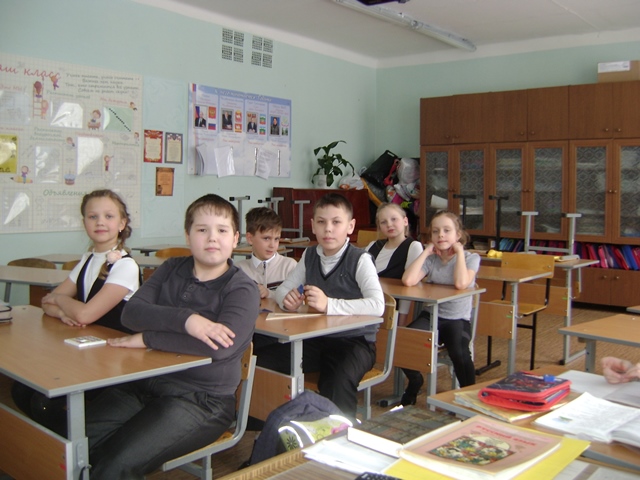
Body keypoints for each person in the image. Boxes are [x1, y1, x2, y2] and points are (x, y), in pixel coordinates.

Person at [84, 194, 260, 479]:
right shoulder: (170, 269)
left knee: (113, 464)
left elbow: (219, 347)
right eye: (202, 229)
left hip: (201, 400)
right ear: (188, 236)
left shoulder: (242, 289)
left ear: (235, 239)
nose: (212, 238)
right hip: (145, 382)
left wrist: (148, 339)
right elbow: (132, 314)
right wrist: (188, 321)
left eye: (222, 230)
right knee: (75, 445)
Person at [12, 189, 140, 434]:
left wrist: (61, 300)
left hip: (115, 363)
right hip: (87, 352)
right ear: (84, 223)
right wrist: (62, 313)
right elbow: (46, 303)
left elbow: (84, 315)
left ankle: (78, 447)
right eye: (93, 217)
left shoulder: (125, 266)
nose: (100, 222)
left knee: (42, 404)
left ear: (122, 223)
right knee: (21, 390)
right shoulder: (88, 259)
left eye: (109, 216)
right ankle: (55, 444)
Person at [257, 193, 385, 418]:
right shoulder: (310, 255)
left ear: (350, 226)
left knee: (336, 380)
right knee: (262, 360)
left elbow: (377, 305)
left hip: (355, 342)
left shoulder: (360, 259)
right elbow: (284, 289)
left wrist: (329, 304)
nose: (328, 229)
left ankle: (340, 434)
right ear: (313, 226)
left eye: (336, 222)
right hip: (316, 338)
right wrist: (287, 301)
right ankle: (268, 423)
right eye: (321, 222)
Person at [400, 210, 480, 405]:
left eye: (446, 230)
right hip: (431, 316)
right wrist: (426, 252)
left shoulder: (471, 258)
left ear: (458, 235)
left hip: (457, 319)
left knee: (459, 353)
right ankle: (415, 381)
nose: (440, 235)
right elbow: (408, 280)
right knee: (403, 343)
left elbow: (461, 283)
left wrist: (459, 253)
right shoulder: (431, 259)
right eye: (435, 231)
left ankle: (470, 398)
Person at [365, 203, 423, 326]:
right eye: (383, 222)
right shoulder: (372, 245)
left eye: (394, 219)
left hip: (389, 309)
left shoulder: (413, 247)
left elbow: (408, 289)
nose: (389, 225)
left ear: (405, 221)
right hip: (365, 303)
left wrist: (401, 321)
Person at [236, 207, 297, 299]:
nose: (272, 245)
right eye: (266, 238)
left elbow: (299, 301)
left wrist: (269, 294)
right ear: (250, 238)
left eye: (276, 239)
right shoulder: (239, 270)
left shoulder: (289, 266)